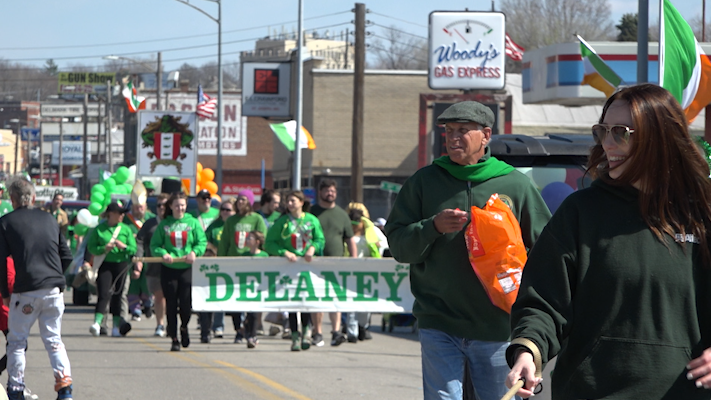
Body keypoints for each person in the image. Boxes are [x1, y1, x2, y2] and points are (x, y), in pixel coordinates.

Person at [506, 84, 711, 399]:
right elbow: (544, 302)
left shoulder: (702, 212)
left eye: (621, 132)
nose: (608, 143)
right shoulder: (580, 212)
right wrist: (528, 351)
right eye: (602, 131)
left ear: (660, 137)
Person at [386, 100, 551, 400]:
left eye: (463, 130)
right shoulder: (424, 182)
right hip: (439, 322)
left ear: (486, 135)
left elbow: (547, 250)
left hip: (497, 327)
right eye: (449, 131)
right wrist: (431, 227)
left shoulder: (514, 184)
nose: (453, 138)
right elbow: (398, 246)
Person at [0, 178, 74, 400]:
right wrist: (55, 275)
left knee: (17, 341)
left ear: (12, 200)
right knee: (53, 339)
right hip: (54, 289)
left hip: (26, 290)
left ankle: (16, 388)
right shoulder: (50, 219)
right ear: (33, 198)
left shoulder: (5, 223)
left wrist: (5, 294)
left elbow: (1, 262)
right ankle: (65, 388)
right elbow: (67, 255)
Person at [265, 190, 325, 351]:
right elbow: (269, 243)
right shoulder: (283, 221)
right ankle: (294, 336)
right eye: (288, 201)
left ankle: (307, 331)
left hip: (306, 266)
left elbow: (320, 239)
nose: (289, 204)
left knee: (305, 300)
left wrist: (313, 248)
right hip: (289, 267)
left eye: (293, 201)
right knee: (292, 301)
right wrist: (284, 252)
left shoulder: (311, 220)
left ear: (301, 202)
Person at [150, 192, 207, 352]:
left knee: (186, 304)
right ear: (171, 207)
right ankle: (174, 338)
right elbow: (155, 245)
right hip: (169, 269)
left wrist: (195, 252)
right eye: (176, 205)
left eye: (182, 205)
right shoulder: (164, 224)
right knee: (171, 303)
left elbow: (201, 241)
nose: (180, 208)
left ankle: (184, 327)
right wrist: (163, 254)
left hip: (186, 268)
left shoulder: (193, 222)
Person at [308, 179, 357, 347]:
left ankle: (336, 332)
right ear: (320, 193)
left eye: (333, 191)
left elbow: (350, 239)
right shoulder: (311, 212)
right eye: (327, 190)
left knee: (335, 297)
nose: (330, 193)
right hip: (315, 263)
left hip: (337, 263)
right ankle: (317, 332)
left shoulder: (342, 214)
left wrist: (354, 260)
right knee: (317, 298)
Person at [215, 190, 267, 344]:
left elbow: (262, 239)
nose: (240, 202)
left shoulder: (257, 219)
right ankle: (239, 329)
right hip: (234, 264)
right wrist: (221, 261)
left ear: (250, 202)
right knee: (235, 300)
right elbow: (224, 242)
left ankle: (251, 332)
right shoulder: (231, 221)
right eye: (238, 199)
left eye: (243, 199)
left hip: (252, 264)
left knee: (251, 301)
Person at [86, 202, 137, 338]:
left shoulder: (125, 229)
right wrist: (104, 248)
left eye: (122, 213)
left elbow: (134, 248)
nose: (122, 216)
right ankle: (97, 323)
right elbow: (91, 247)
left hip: (121, 264)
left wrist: (124, 247)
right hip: (105, 264)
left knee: (118, 296)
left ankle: (115, 326)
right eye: (119, 213)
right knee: (103, 294)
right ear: (111, 214)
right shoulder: (99, 229)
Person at [198, 196, 235, 343]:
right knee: (217, 296)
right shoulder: (214, 226)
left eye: (228, 210)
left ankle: (240, 329)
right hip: (215, 265)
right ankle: (216, 326)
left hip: (233, 264)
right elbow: (205, 242)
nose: (225, 212)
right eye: (223, 209)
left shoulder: (237, 224)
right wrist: (213, 250)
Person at [135, 193, 171, 337]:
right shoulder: (149, 224)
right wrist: (138, 260)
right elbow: (139, 241)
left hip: (173, 266)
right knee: (159, 295)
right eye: (158, 205)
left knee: (171, 296)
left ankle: (171, 324)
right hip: (154, 267)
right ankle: (160, 324)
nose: (161, 208)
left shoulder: (174, 223)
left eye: (164, 205)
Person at [190, 189, 223, 337]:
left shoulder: (217, 213)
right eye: (203, 198)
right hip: (199, 256)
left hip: (215, 255)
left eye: (208, 198)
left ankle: (216, 324)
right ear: (197, 200)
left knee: (217, 290)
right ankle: (203, 321)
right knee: (200, 290)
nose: (206, 200)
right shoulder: (192, 216)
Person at [124, 200, 156, 321]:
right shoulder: (126, 219)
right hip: (132, 256)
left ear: (146, 206)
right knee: (134, 283)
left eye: (141, 207)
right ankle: (135, 310)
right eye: (136, 207)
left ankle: (148, 305)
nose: (139, 210)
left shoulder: (151, 219)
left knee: (147, 283)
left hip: (149, 255)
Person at [241, 230, 269, 349]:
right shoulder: (244, 256)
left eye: (250, 238)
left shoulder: (264, 256)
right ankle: (245, 331)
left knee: (253, 312)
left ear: (257, 242)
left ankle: (252, 335)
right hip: (245, 287)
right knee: (244, 313)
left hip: (258, 288)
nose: (247, 240)